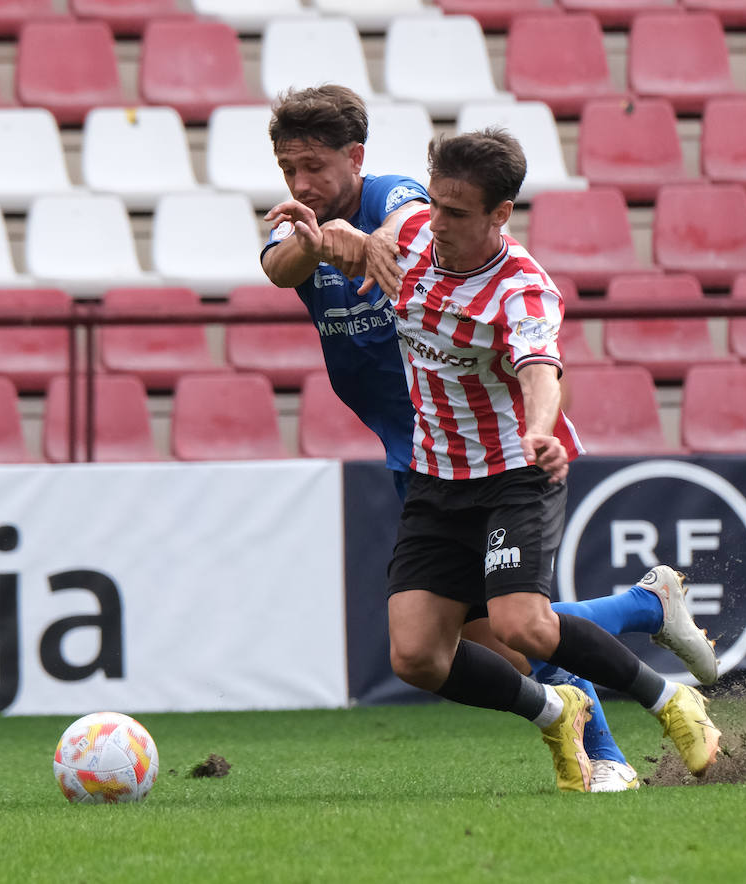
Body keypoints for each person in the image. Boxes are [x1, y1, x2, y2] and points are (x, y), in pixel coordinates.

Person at [260, 87, 718, 792]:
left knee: (513, 629)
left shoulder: (409, 206)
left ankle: (611, 752)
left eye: (314, 167)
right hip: (422, 453)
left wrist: (366, 240)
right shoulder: (315, 220)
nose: (300, 183)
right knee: (461, 640)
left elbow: (417, 227)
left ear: (356, 159)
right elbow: (279, 267)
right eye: (288, 168)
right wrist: (322, 239)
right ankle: (643, 612)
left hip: (490, 452)